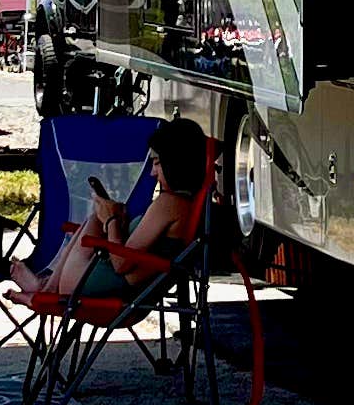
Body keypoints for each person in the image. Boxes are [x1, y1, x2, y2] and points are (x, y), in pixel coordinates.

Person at [15, 115, 212, 313]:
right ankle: (45, 287)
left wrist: (111, 221)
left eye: (157, 163)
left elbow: (121, 264)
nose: (153, 173)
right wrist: (118, 222)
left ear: (175, 163)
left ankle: (46, 289)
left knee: (97, 217)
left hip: (95, 289)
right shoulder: (186, 204)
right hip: (122, 289)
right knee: (98, 215)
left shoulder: (168, 203)